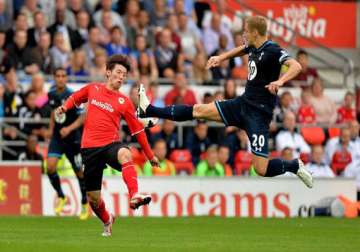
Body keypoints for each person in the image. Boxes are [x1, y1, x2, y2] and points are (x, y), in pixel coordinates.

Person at [138, 16, 313, 188]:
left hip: (258, 116)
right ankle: (149, 110)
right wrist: (221, 58)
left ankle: (294, 166)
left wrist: (280, 81)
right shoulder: (253, 45)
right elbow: (242, 49)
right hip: (241, 105)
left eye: (245, 31)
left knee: (261, 168)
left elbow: (296, 65)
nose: (243, 34)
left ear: (255, 32)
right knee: (198, 110)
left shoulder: (273, 50)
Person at [56, 55, 159, 237]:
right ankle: (107, 220)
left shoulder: (124, 102)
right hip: (89, 149)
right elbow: (75, 97)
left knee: (125, 154)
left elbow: (137, 131)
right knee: (94, 200)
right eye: (118, 72)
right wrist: (65, 107)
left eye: (124, 75)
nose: (121, 77)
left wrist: (150, 156)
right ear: (108, 72)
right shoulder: (93, 89)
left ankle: (134, 195)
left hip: (111, 145)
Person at [46, 68, 89, 220]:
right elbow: (53, 113)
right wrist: (51, 130)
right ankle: (61, 196)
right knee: (50, 167)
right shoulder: (50, 94)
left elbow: (83, 116)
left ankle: (84, 202)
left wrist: (69, 129)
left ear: (66, 78)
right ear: (54, 78)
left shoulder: (73, 95)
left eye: (63, 76)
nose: (60, 79)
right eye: (57, 76)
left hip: (73, 139)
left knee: (79, 172)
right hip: (57, 138)